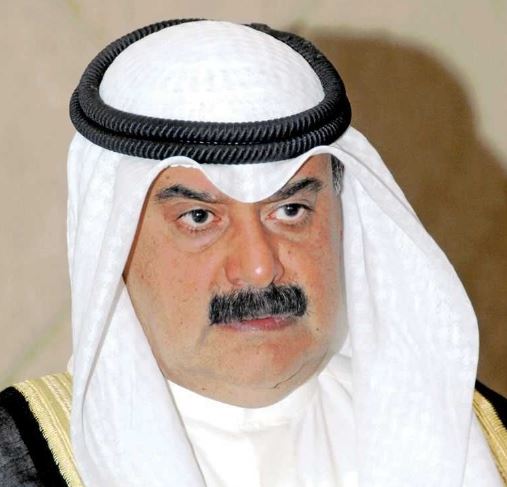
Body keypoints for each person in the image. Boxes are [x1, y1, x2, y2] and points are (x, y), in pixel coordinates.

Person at [0, 19, 505, 487]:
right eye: (200, 218)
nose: (260, 268)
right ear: (114, 245)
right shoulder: (19, 459)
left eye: (290, 210)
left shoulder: (485, 444)